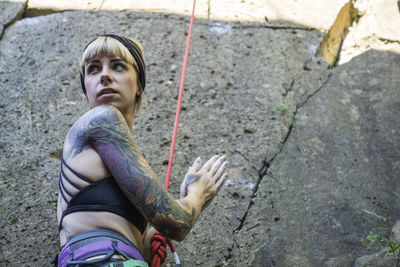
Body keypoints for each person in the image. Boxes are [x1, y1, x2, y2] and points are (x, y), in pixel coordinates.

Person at [55, 34, 228, 266]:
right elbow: (176, 223)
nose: (104, 75)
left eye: (117, 66)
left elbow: (136, 236)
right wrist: (197, 194)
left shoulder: (110, 157)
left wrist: (181, 206)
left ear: (138, 86)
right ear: (86, 89)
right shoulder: (101, 120)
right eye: (93, 69)